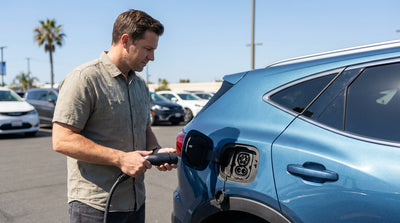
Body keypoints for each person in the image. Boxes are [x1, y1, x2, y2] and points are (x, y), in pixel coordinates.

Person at [52, 9, 176, 223]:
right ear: (125, 40)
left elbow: (145, 129)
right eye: (148, 49)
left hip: (135, 202)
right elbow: (62, 140)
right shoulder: (84, 79)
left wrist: (157, 152)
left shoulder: (140, 85)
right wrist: (120, 158)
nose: (152, 58)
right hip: (95, 206)